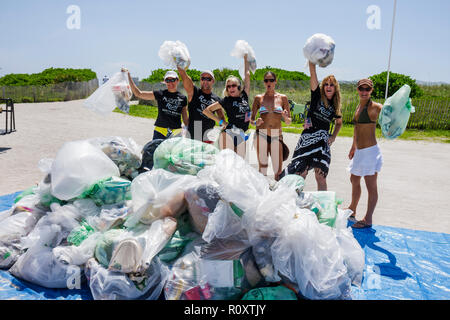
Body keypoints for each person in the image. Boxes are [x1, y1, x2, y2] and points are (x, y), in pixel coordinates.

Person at [279, 62, 342, 190]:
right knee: (300, 172)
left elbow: (339, 122)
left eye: (331, 85)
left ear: (335, 88)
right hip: (308, 138)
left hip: (322, 142)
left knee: (321, 175)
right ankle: (293, 201)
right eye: (326, 84)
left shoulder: (335, 105)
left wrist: (333, 137)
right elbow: (313, 74)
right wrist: (312, 61)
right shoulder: (317, 97)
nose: (328, 87)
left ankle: (324, 205)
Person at [347, 78, 383, 229]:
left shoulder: (375, 107)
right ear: (357, 89)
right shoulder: (358, 107)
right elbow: (357, 128)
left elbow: (389, 110)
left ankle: (368, 219)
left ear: (371, 91)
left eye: (367, 89)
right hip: (360, 151)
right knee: (354, 179)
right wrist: (353, 146)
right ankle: (352, 209)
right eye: (361, 89)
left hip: (370, 152)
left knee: (371, 186)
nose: (364, 92)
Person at [202, 54, 251, 158]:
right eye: (228, 86)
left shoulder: (244, 96)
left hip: (241, 134)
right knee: (227, 164)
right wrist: (221, 122)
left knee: (239, 164)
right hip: (229, 133)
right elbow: (206, 111)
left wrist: (245, 58)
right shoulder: (226, 100)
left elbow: (247, 75)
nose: (231, 88)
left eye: (233, 85)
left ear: (239, 87)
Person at [123, 68, 188, 140]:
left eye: (173, 80)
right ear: (165, 82)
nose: (170, 83)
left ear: (177, 80)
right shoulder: (160, 94)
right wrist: (128, 76)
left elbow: (185, 117)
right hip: (160, 131)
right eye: (167, 80)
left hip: (176, 132)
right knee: (157, 151)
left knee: (174, 151)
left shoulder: (183, 98)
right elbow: (138, 94)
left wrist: (191, 129)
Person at [251, 71, 292, 181]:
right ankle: (262, 194)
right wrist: (256, 122)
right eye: (266, 80)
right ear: (264, 82)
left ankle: (276, 195)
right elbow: (251, 120)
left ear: (275, 81)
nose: (268, 82)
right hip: (261, 134)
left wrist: (285, 117)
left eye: (271, 80)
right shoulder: (258, 98)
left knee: (278, 171)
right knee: (263, 168)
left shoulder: (283, 98)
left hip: (276, 135)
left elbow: (289, 121)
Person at [176, 65, 224, 143]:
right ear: (200, 80)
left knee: (206, 155)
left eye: (208, 79)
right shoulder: (194, 92)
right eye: (203, 78)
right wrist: (179, 64)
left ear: (213, 81)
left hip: (208, 134)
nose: (205, 81)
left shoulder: (216, 99)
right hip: (194, 132)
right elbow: (184, 77)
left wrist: (222, 125)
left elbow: (221, 118)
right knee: (193, 155)